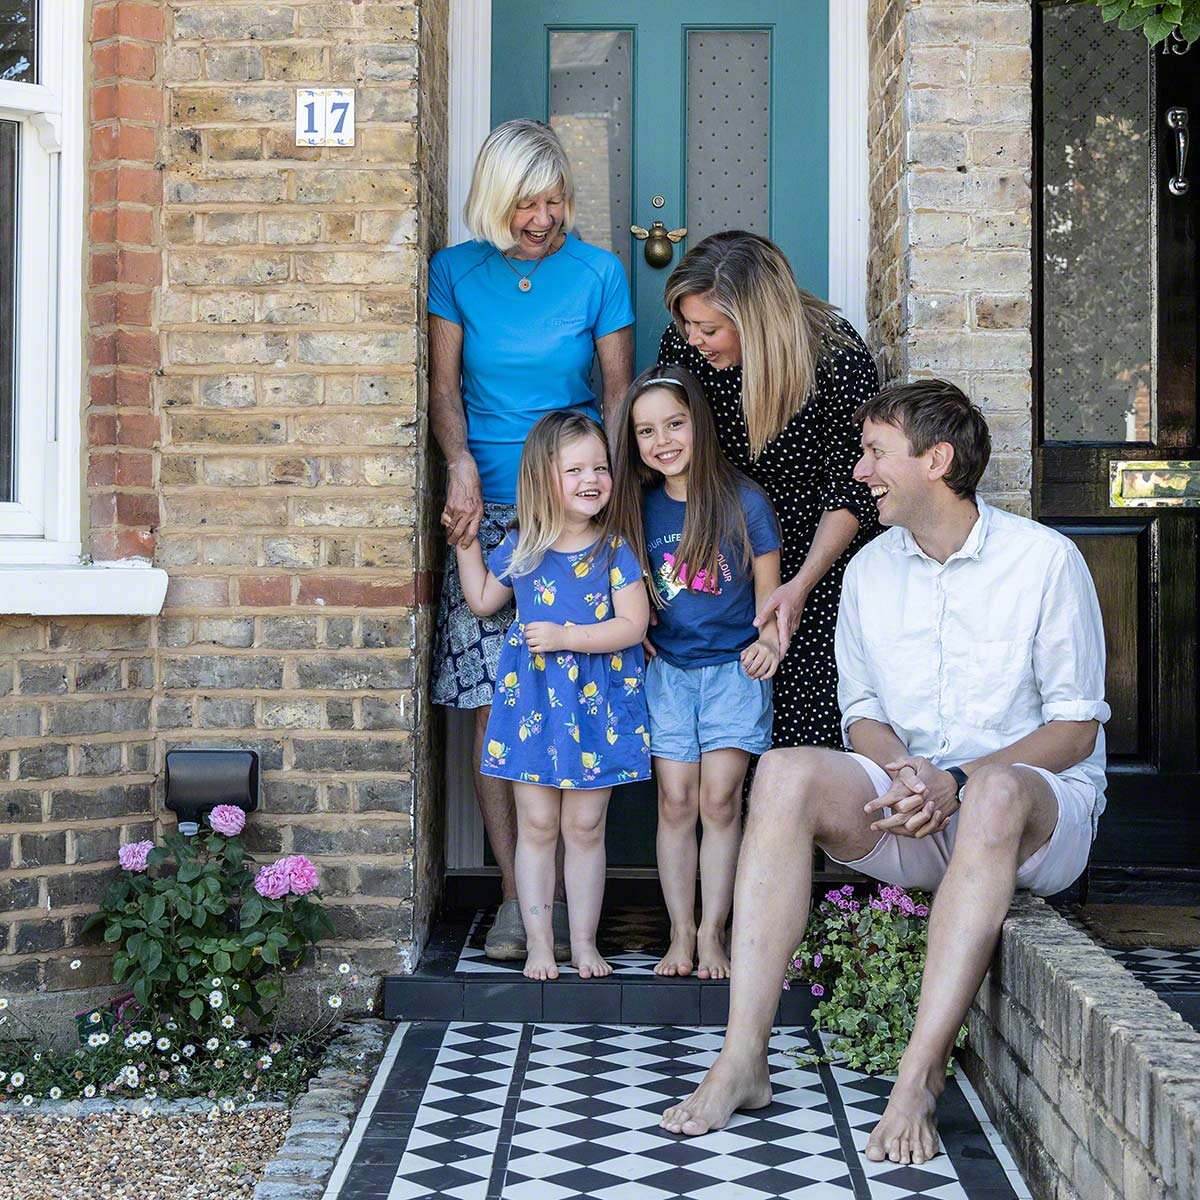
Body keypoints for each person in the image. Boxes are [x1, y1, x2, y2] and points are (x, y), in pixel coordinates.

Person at [660, 380, 1109, 1168]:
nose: (860, 472)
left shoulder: (1045, 562)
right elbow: (861, 713)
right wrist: (907, 774)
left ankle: (917, 1077)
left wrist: (959, 781)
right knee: (788, 771)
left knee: (998, 791)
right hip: (917, 810)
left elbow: (1074, 731)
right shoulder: (869, 571)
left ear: (936, 460)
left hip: (1030, 819)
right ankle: (742, 1060)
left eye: (874, 453)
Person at [429, 119, 635, 960]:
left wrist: (609, 498)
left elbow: (619, 395)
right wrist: (459, 466)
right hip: (491, 514)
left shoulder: (601, 273)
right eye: (526, 204)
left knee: (578, 686)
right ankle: (518, 897)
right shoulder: (455, 271)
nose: (543, 218)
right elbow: (444, 387)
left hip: (576, 509)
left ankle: (575, 902)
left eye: (554, 202)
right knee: (493, 708)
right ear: (495, 200)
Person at [657, 231, 878, 749]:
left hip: (814, 556)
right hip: (721, 553)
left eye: (708, 328)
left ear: (754, 321)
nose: (691, 338)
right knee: (719, 740)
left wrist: (797, 587)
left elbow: (852, 490)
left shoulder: (838, 361)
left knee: (805, 725)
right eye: (686, 323)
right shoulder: (685, 348)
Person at [455, 411, 651, 981]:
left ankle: (584, 943)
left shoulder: (614, 549)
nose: (592, 479)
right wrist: (466, 543)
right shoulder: (522, 546)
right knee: (537, 825)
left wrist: (568, 637)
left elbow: (633, 625)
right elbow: (483, 600)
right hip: (534, 706)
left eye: (601, 467)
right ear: (544, 478)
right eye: (575, 470)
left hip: (596, 708)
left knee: (586, 829)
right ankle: (540, 944)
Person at [605, 366, 781, 980]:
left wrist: (770, 642)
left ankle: (714, 933)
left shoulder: (744, 500)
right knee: (676, 802)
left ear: (698, 423)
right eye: (646, 430)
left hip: (734, 673)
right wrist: (638, 630)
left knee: (720, 800)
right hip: (670, 674)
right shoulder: (637, 507)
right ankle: (679, 932)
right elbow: (620, 586)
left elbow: (771, 596)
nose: (663, 440)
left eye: (674, 424)